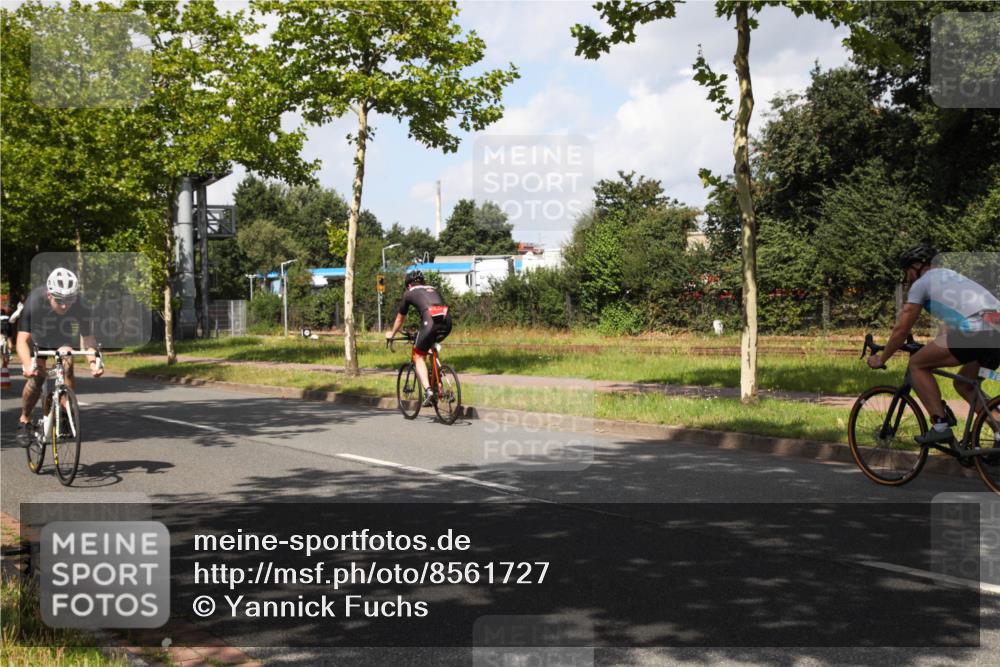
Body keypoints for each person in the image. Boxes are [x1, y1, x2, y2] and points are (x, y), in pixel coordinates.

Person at [867, 244, 1000, 445]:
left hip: (976, 330)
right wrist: (931, 347)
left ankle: (940, 426)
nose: (907, 277)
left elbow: (901, 330)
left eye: (907, 271)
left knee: (917, 365)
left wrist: (882, 357)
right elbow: (948, 325)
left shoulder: (921, 284)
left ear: (917, 267)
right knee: (965, 384)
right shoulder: (949, 276)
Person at [16, 268, 103, 444]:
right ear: (49, 295)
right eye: (59, 300)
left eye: (69, 300)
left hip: (61, 334)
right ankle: (24, 420)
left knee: (68, 362)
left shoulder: (80, 304)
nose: (64, 305)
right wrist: (27, 365)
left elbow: (88, 338)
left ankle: (64, 412)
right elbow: (21, 340)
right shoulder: (34, 301)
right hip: (37, 335)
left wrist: (94, 362)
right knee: (38, 377)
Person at [385, 270, 452, 407]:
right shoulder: (433, 289)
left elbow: (400, 318)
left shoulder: (409, 293)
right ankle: (439, 386)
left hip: (430, 323)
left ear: (408, 285)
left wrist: (392, 334)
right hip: (447, 322)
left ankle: (428, 391)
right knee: (429, 347)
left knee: (418, 356)